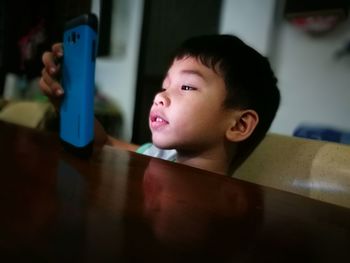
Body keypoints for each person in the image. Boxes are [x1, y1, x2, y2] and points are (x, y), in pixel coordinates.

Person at [39, 34, 280, 175]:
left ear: (239, 124)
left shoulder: (220, 207)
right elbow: (105, 142)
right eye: (165, 86)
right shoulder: (160, 155)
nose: (159, 97)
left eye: (186, 86)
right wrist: (68, 101)